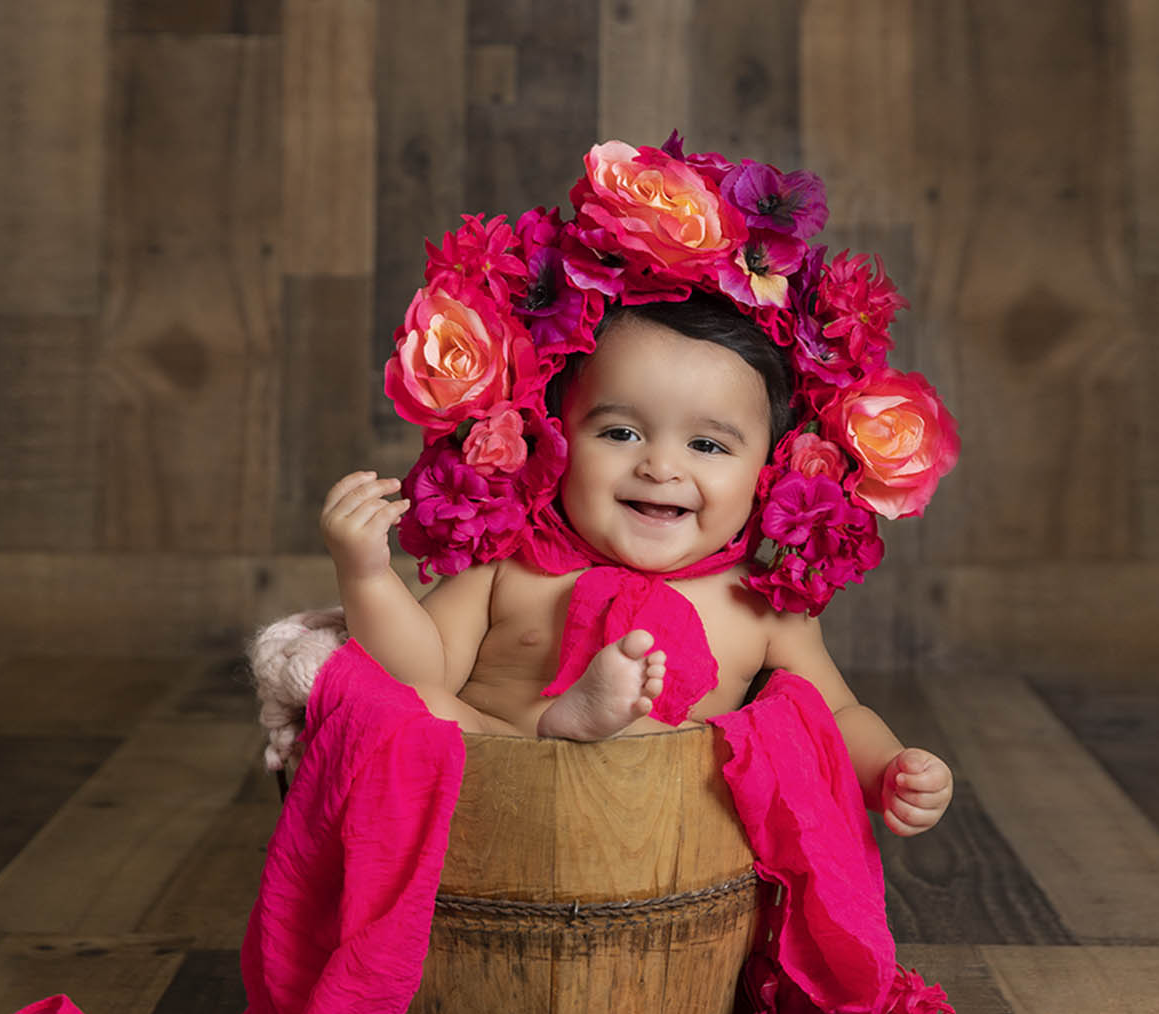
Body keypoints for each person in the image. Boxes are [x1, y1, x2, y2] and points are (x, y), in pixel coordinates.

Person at [320, 294, 953, 837]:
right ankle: (554, 730)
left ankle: (575, 728)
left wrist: (889, 769)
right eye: (620, 433)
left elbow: (836, 717)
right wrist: (367, 574)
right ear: (555, 436)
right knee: (414, 708)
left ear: (769, 473)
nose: (660, 466)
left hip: (663, 846)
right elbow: (417, 668)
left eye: (706, 445)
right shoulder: (516, 566)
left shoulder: (759, 605)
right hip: (500, 809)